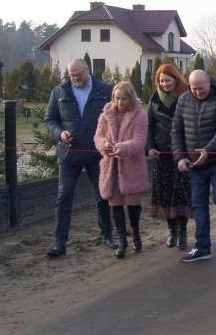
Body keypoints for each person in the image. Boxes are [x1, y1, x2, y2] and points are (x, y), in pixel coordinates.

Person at [45, 58, 114, 257]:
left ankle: (107, 234)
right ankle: (60, 241)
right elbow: (50, 119)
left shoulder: (104, 90)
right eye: (72, 75)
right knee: (64, 196)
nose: (76, 79)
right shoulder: (59, 92)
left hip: (97, 152)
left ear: (88, 70)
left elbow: (114, 117)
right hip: (69, 154)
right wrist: (60, 133)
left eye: (79, 74)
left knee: (102, 194)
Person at [171, 70, 216, 262]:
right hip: (194, 163)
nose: (197, 92)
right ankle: (202, 246)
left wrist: (208, 150)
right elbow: (176, 130)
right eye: (194, 88)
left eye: (201, 88)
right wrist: (180, 157)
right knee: (198, 204)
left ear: (209, 82)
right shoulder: (184, 99)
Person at [94, 81, 149, 259]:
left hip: (131, 165)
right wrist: (105, 144)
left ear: (130, 98)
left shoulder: (140, 116)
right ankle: (122, 240)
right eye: (116, 98)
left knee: (132, 203)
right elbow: (98, 136)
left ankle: (136, 233)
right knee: (115, 203)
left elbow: (139, 141)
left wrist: (122, 148)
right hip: (111, 166)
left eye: (123, 99)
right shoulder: (106, 115)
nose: (119, 102)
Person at [146, 64, 192, 249]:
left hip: (182, 153)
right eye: (161, 80)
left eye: (168, 80)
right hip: (162, 153)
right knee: (165, 194)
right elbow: (149, 125)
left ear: (176, 79)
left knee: (181, 193)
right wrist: (149, 147)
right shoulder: (155, 100)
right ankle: (172, 231)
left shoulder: (186, 96)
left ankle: (182, 231)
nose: (165, 84)